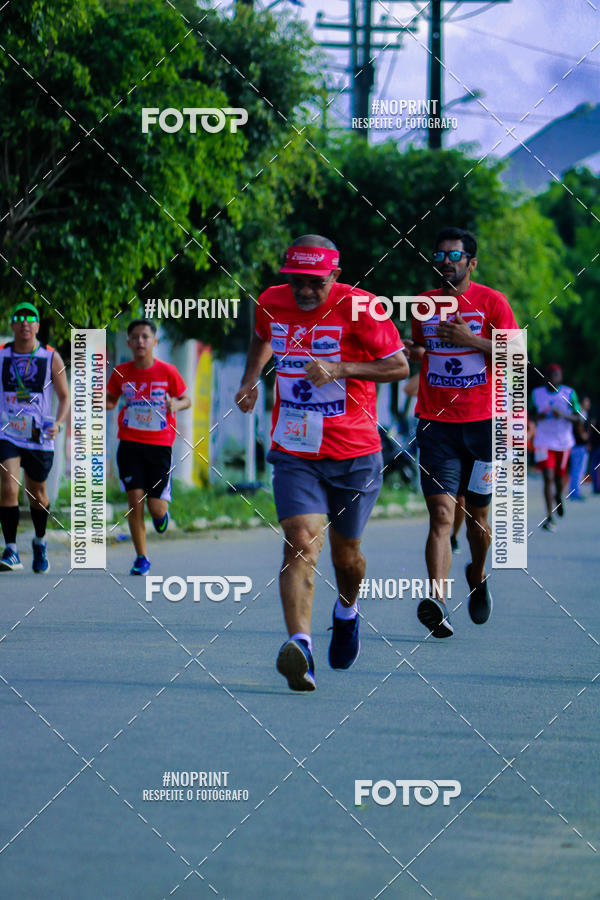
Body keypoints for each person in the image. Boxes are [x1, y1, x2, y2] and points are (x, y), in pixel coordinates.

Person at [235, 235, 407, 691]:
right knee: (299, 541)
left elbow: (399, 367)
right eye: (297, 281)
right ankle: (301, 648)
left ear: (335, 275)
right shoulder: (272, 301)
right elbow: (261, 338)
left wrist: (343, 368)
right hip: (295, 447)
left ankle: (347, 610)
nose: (304, 291)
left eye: (315, 282)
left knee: (346, 557)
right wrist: (251, 379)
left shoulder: (363, 308)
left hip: (354, 450)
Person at [410, 227, 519, 638]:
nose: (445, 264)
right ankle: (437, 600)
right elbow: (420, 348)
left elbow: (516, 354)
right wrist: (413, 351)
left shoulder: (492, 302)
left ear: (471, 263)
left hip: (483, 426)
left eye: (453, 257)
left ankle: (477, 573)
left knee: (477, 518)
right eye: (439, 257)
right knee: (440, 514)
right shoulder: (424, 304)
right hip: (436, 425)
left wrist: (471, 339)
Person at [106, 319, 190, 575]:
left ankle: (161, 515)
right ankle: (141, 557)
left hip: (159, 446)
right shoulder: (121, 372)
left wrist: (176, 405)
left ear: (154, 342)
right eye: (135, 337)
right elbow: (111, 399)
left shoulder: (167, 371)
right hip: (130, 444)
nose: (140, 341)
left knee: (156, 507)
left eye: (145, 336)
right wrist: (99, 402)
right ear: (129, 343)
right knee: (135, 501)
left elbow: (186, 398)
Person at [0, 302, 70, 572]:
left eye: (31, 320)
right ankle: (11, 549)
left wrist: (59, 424)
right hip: (8, 432)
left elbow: (64, 398)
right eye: (19, 319)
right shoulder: (3, 355)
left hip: (39, 436)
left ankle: (39, 541)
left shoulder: (50, 357)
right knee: (8, 484)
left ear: (37, 326)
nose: (25, 324)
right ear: (13, 326)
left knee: (37, 494)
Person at [530, 364, 581, 530]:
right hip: (543, 442)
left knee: (559, 479)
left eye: (556, 376)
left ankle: (559, 496)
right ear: (545, 377)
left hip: (563, 443)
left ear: (561, 378)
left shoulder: (569, 393)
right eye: (550, 376)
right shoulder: (537, 394)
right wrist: (539, 416)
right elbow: (529, 415)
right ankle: (549, 517)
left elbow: (579, 417)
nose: (553, 379)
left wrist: (564, 415)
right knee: (548, 477)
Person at [568, 395, 591, 501]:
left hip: (576, 445)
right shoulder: (580, 413)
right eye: (586, 402)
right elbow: (579, 426)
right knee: (578, 470)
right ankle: (575, 492)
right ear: (581, 403)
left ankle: (574, 491)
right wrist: (583, 436)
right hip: (579, 446)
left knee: (576, 470)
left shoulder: (578, 413)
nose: (588, 404)